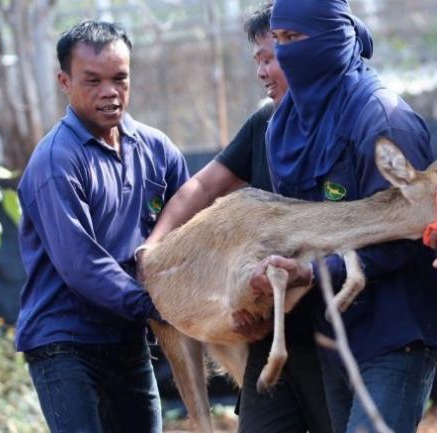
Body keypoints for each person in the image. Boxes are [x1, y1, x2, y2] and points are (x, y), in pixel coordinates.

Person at [247, 1, 437, 432]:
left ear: (334, 37)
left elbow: (407, 234)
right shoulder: (284, 125)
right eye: (278, 41)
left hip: (395, 333)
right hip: (333, 335)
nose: (284, 54)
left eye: (296, 39)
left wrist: (312, 271)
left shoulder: (382, 120)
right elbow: (294, 223)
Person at [140, 4, 332, 433]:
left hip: (332, 330)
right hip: (270, 338)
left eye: (272, 57)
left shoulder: (348, 121)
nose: (263, 71)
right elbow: (203, 187)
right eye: (258, 60)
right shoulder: (265, 122)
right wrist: (153, 248)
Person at [14, 20, 189, 433]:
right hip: (65, 344)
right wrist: (160, 305)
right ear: (64, 81)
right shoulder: (57, 162)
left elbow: (191, 211)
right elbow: (83, 265)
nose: (109, 92)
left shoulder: (155, 148)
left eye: (119, 79)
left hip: (127, 339)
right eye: (92, 81)